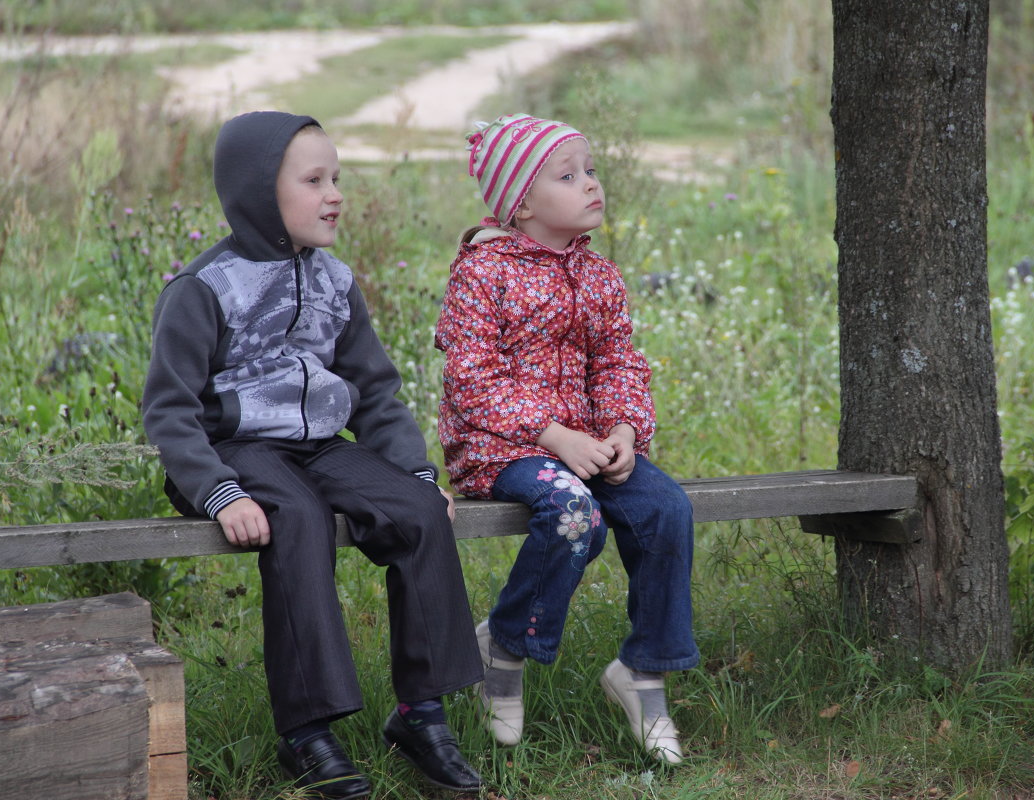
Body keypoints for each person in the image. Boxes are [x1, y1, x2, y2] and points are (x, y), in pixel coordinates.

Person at [141, 111, 484, 799]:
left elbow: (375, 391)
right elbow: (169, 410)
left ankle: (421, 713)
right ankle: (308, 730)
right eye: (314, 180)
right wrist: (220, 491)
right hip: (231, 452)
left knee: (419, 508)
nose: (334, 194)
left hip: (319, 444)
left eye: (338, 178)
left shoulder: (334, 280)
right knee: (295, 516)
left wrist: (415, 470)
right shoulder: (204, 289)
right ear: (260, 193)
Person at [434, 113, 699, 765]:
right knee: (576, 515)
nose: (591, 184)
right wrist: (555, 437)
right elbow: (473, 382)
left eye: (591, 170)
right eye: (568, 174)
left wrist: (623, 428)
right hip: (503, 447)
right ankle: (503, 644)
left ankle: (642, 675)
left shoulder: (600, 275)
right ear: (522, 203)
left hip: (586, 442)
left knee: (667, 509)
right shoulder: (482, 273)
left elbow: (617, 361)